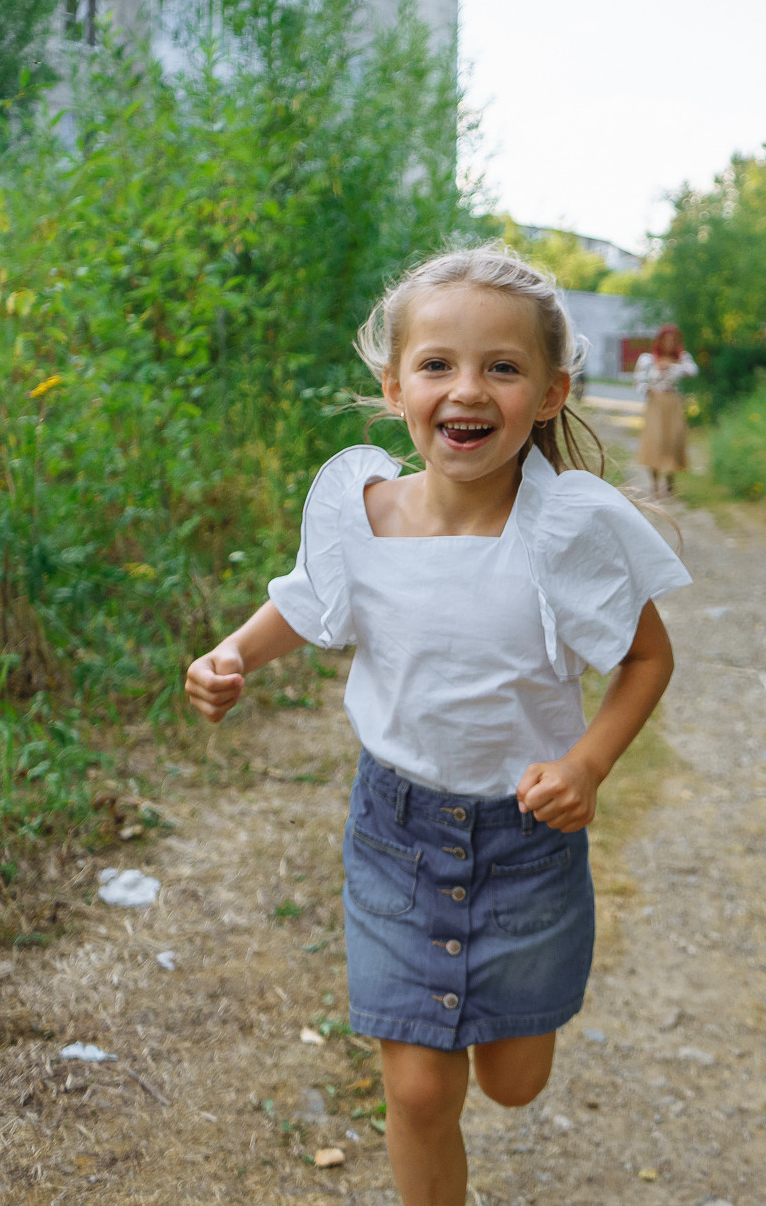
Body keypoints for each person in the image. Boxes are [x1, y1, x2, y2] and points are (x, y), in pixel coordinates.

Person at [183, 244, 690, 1206]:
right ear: (395, 384)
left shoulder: (566, 530)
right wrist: (234, 654)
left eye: (502, 366)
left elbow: (647, 658)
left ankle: (511, 1031)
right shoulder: (360, 509)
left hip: (527, 843)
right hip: (398, 835)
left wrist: (589, 763)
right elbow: (305, 600)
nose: (468, 388)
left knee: (514, 1080)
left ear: (549, 392)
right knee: (418, 1088)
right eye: (438, 365)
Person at [634, 323, 697, 497]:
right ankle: (654, 484)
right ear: (660, 341)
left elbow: (693, 371)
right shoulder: (648, 360)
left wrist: (672, 366)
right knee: (656, 440)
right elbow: (639, 382)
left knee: (673, 440)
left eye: (673, 340)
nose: (669, 343)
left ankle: (670, 482)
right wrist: (648, 389)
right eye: (666, 340)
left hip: (674, 402)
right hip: (656, 402)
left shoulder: (682, 359)